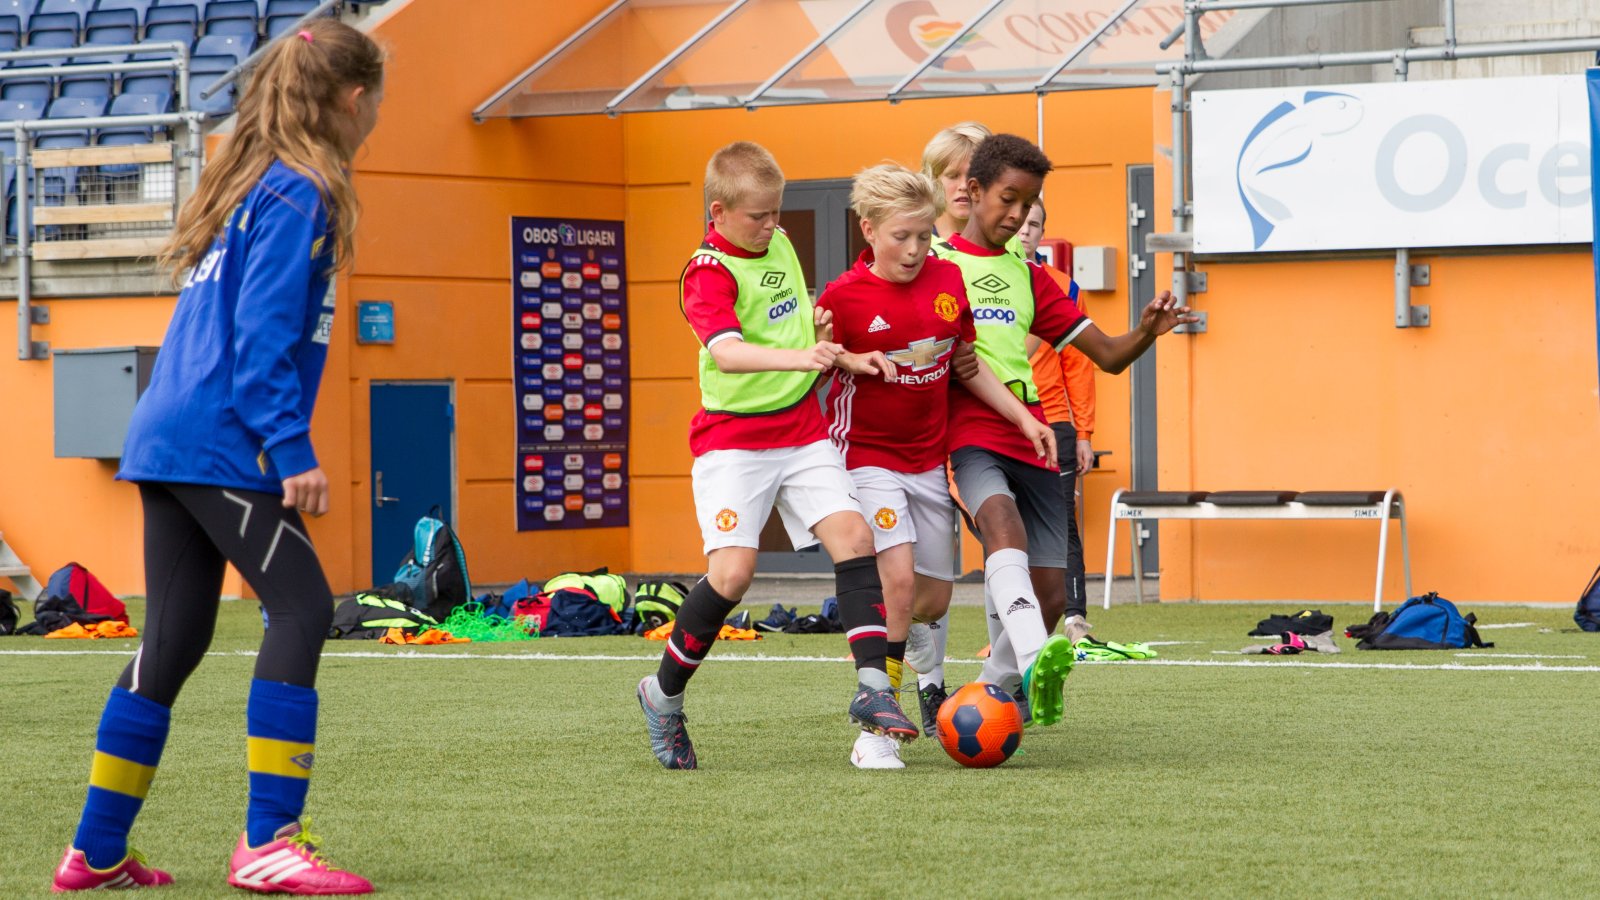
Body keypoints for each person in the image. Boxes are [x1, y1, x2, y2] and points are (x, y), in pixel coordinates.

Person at [51, 20, 383, 895]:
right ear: (355, 100)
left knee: (175, 639)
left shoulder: (252, 182)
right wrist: (291, 449)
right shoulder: (301, 191)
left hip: (166, 433)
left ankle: (95, 851)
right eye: (378, 104)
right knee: (302, 609)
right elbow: (259, 336)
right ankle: (269, 842)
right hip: (220, 439)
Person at [636, 142, 917, 771]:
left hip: (802, 428)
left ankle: (873, 689)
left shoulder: (780, 243)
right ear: (719, 212)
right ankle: (662, 695)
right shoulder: (706, 272)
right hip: (733, 441)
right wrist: (804, 357)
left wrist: (841, 354)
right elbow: (728, 352)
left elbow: (797, 331)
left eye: (776, 212)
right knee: (733, 576)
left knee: (856, 537)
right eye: (758, 215)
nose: (772, 225)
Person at [939, 134, 1194, 726]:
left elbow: (1107, 355)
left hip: (1033, 434)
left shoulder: (1031, 278)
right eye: (1007, 199)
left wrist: (1145, 332)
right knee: (1001, 526)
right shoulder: (936, 265)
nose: (1016, 214)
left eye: (1027, 204)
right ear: (973, 191)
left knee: (1052, 592)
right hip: (969, 429)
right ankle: (1032, 660)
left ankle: (989, 696)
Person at [817, 163, 1056, 768]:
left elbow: (967, 365)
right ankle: (874, 732)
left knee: (933, 599)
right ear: (869, 230)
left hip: (927, 459)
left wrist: (1023, 419)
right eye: (902, 236)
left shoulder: (948, 279)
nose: (915, 249)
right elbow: (809, 374)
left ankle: (907, 639)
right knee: (897, 581)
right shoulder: (842, 298)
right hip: (865, 456)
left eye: (924, 235)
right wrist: (835, 354)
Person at [903, 120, 992, 734]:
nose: (963, 187)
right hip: (911, 437)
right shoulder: (915, 255)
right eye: (951, 175)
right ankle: (923, 687)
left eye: (973, 175)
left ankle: (999, 682)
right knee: (917, 573)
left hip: (981, 429)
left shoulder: (1010, 258)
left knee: (979, 561)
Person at [1014, 198, 1098, 645]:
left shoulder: (1064, 287)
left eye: (1034, 224)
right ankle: (1017, 624)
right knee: (1007, 527)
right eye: (1019, 223)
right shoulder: (976, 277)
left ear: (1042, 232)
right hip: (1001, 423)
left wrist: (1084, 433)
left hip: (1054, 422)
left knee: (1060, 522)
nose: (1024, 230)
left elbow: (1079, 365)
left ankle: (1075, 619)